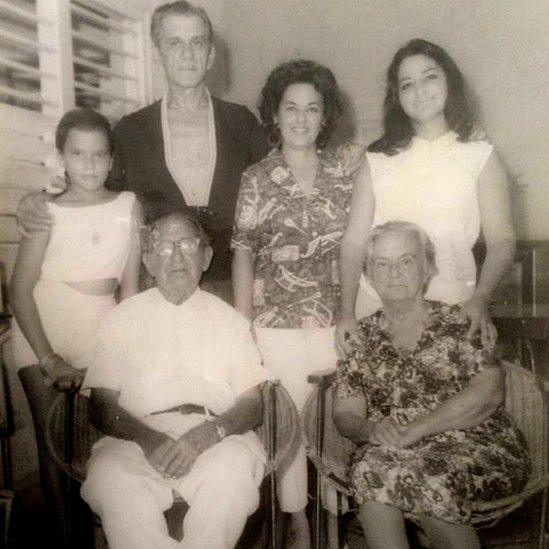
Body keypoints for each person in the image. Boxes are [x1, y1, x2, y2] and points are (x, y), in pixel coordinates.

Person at [16, 0, 269, 303]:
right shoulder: (130, 131)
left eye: (197, 42)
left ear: (211, 55)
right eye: (174, 43)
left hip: (232, 288)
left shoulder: (241, 122)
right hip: (155, 291)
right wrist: (40, 200)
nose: (188, 54)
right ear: (157, 55)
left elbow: (276, 195)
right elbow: (92, 191)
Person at [80, 212, 273, 549]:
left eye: (187, 245)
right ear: (148, 261)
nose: (178, 257)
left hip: (216, 435)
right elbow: (101, 404)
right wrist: (147, 439)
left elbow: (251, 404)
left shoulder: (230, 321)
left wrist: (208, 434)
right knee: (113, 482)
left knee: (233, 476)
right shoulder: (121, 318)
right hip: (135, 439)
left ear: (207, 257)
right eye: (165, 248)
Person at [333, 221, 530, 549]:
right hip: (398, 448)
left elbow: (488, 393)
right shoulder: (360, 337)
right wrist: (371, 430)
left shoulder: (461, 322)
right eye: (382, 263)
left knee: (427, 473)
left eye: (407, 260)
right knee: (368, 467)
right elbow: (345, 414)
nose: (394, 272)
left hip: (480, 445)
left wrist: (418, 429)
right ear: (368, 275)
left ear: (428, 268)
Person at [9, 108, 143, 547]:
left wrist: (124, 351)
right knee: (56, 447)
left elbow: (130, 291)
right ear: (62, 158)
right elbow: (20, 292)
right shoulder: (46, 212)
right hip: (43, 330)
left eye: (98, 154)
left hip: (100, 329)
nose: (88, 163)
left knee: (96, 445)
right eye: (77, 153)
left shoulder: (127, 206)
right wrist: (48, 359)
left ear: (111, 159)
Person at [232, 59, 352, 548]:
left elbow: (354, 248)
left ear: (325, 117)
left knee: (330, 422)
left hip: (331, 318)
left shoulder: (343, 176)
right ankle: (297, 521)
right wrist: (242, 326)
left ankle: (334, 520)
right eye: (291, 108)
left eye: (312, 108)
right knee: (288, 426)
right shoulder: (257, 177)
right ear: (275, 116)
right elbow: (242, 251)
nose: (301, 118)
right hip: (274, 319)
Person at [337, 38, 515, 353]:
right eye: (407, 84)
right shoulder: (377, 159)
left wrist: (480, 297)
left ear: (449, 81)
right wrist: (347, 311)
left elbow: (502, 241)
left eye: (430, 77)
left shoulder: (480, 155)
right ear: (397, 96)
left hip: (454, 305)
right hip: (377, 307)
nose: (419, 91)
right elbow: (353, 242)